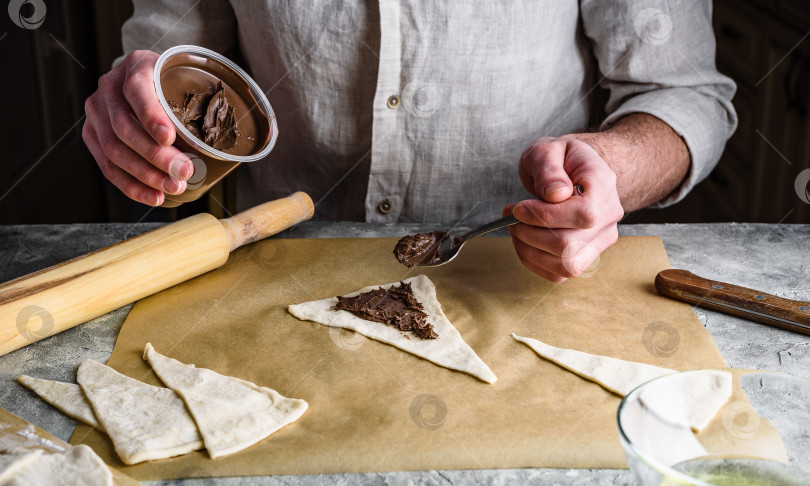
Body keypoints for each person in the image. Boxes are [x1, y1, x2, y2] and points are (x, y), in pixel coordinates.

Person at [82, 1, 736, 282]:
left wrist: (610, 171)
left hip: (517, 277)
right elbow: (171, 63)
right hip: (276, 275)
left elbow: (684, 96)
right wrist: (139, 117)